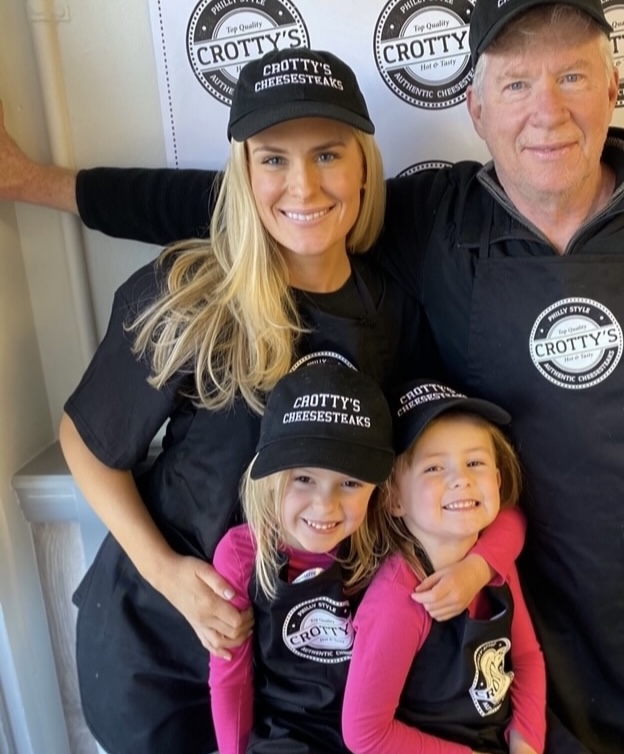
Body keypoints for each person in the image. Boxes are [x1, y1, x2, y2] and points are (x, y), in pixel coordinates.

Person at [2, 2, 624, 752]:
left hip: (366, 658)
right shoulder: (254, 276)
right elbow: (222, 208)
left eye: (573, 76)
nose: (548, 111)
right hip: (204, 647)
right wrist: (35, 184)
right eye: (516, 84)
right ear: (476, 108)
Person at [56, 47, 450, 754]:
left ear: (362, 166)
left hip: (299, 667)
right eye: (273, 158)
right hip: (164, 653)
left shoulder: (394, 313)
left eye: (328, 154)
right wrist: (168, 573)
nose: (303, 185)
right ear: (243, 172)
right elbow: (88, 441)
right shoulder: (189, 294)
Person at [210, 356, 528, 754]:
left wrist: (478, 568)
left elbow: (509, 518)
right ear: (271, 473)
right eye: (304, 478)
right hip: (287, 735)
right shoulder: (241, 555)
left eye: (349, 482)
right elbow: (230, 677)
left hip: (378, 733)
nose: (325, 507)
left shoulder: (372, 533)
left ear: (380, 491)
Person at [342, 378, 546, 754]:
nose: (461, 479)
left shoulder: (494, 562)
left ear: (497, 481)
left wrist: (527, 743)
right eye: (434, 468)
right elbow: (365, 735)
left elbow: (527, 657)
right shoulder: (397, 601)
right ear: (394, 499)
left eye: (475, 462)